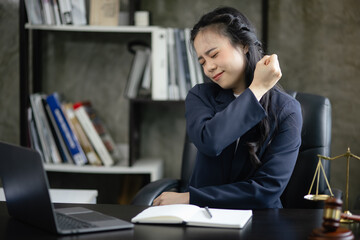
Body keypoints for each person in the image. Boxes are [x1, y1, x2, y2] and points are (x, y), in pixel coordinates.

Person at [153, 6, 302, 209]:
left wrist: (191, 197)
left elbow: (266, 191)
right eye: (202, 61)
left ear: (243, 45)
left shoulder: (286, 109)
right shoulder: (200, 96)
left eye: (214, 54)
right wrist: (255, 91)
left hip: (259, 222)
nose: (209, 67)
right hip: (201, 218)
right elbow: (211, 141)